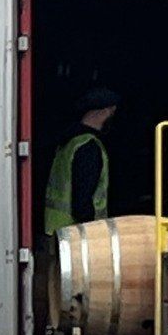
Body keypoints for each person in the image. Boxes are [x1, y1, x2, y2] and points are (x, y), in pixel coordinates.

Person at [43, 87, 120, 236]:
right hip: (76, 234)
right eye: (112, 112)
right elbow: (82, 201)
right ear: (102, 112)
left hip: (57, 229)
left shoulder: (69, 142)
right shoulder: (88, 146)